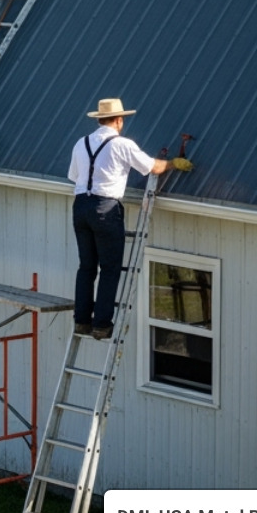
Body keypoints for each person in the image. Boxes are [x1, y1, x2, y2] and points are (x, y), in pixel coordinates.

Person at [68, 98, 168, 339]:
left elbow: (74, 176)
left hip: (81, 205)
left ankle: (82, 321)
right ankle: (101, 324)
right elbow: (152, 167)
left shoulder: (81, 143)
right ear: (119, 120)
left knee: (86, 267)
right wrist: (172, 163)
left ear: (99, 119)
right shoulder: (123, 144)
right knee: (110, 268)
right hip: (106, 207)